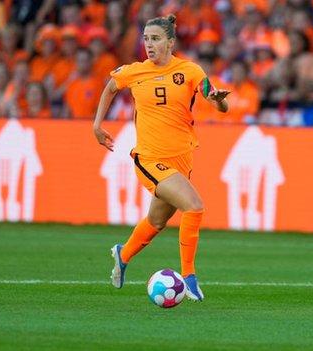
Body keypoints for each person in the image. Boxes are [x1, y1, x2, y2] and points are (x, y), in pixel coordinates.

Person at [92, 14, 230, 301]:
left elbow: (214, 98)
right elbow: (110, 88)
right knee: (194, 207)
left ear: (171, 41)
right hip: (150, 159)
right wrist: (97, 125)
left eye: (155, 39)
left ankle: (123, 253)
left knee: (155, 222)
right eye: (146, 39)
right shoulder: (134, 71)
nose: (149, 44)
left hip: (182, 159)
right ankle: (189, 278)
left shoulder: (190, 71)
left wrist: (219, 101)